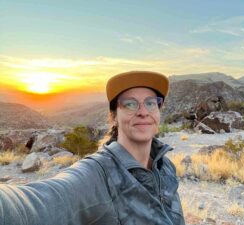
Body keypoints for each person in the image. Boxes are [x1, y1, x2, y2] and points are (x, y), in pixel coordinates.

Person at [0, 71, 185, 225]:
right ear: (113, 117)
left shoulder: (165, 165)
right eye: (130, 103)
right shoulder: (98, 174)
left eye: (151, 103)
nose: (143, 112)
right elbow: (34, 204)